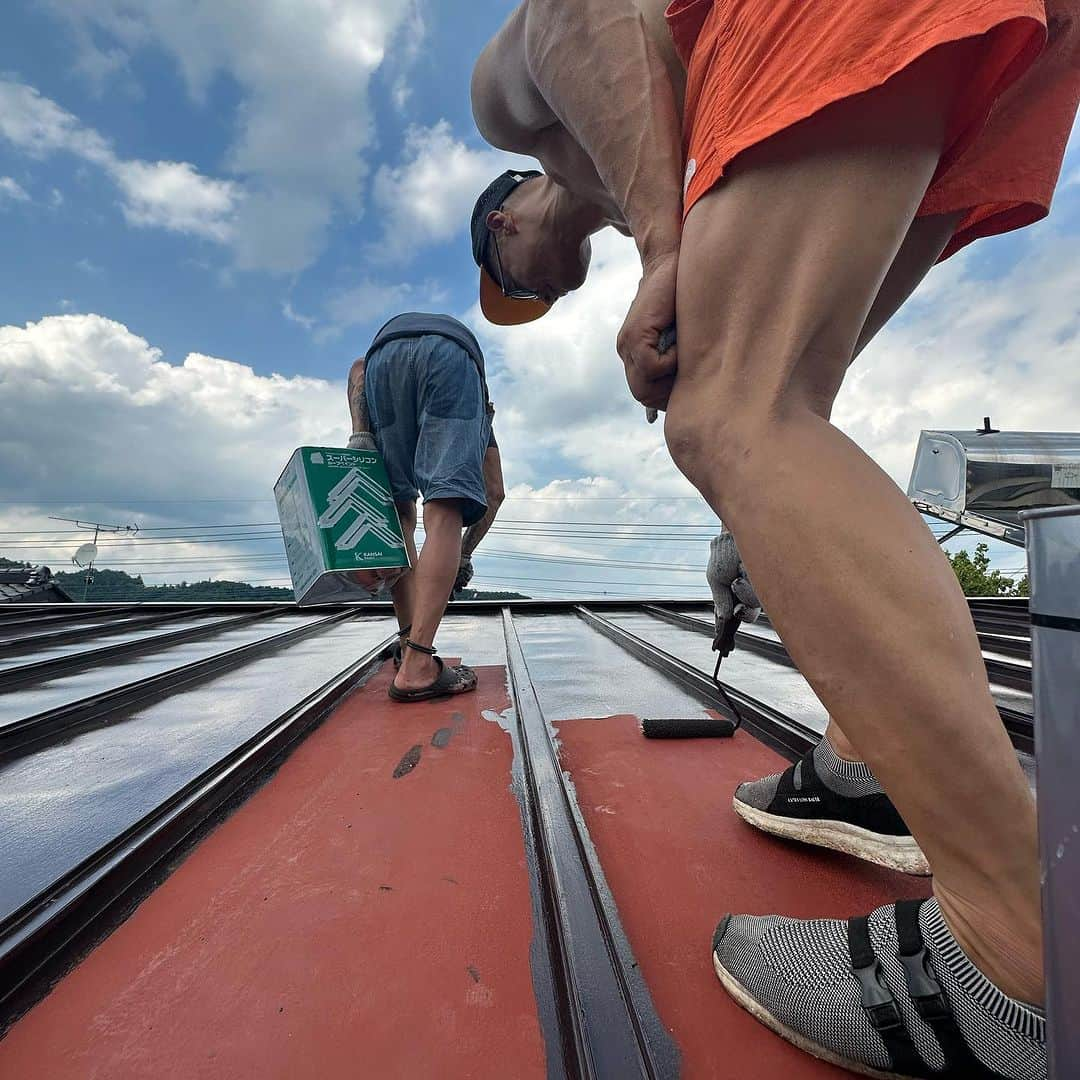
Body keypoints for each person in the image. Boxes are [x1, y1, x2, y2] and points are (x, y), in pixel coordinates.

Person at [469, 1, 1079, 1075]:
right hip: (995, 50)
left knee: (728, 411)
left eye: (510, 284)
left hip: (846, 23)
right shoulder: (658, 149)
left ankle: (1018, 955)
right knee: (774, 409)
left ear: (508, 224)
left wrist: (666, 241)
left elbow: (578, 12)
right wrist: (758, 513)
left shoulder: (508, 116)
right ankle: (866, 759)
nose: (528, 295)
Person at [347, 312, 505, 702]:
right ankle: (418, 666)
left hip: (382, 358)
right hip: (451, 356)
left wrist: (359, 434)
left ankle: (407, 647)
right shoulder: (476, 404)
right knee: (445, 505)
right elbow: (495, 493)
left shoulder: (480, 416)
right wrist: (462, 554)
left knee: (399, 510)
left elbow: (358, 371)